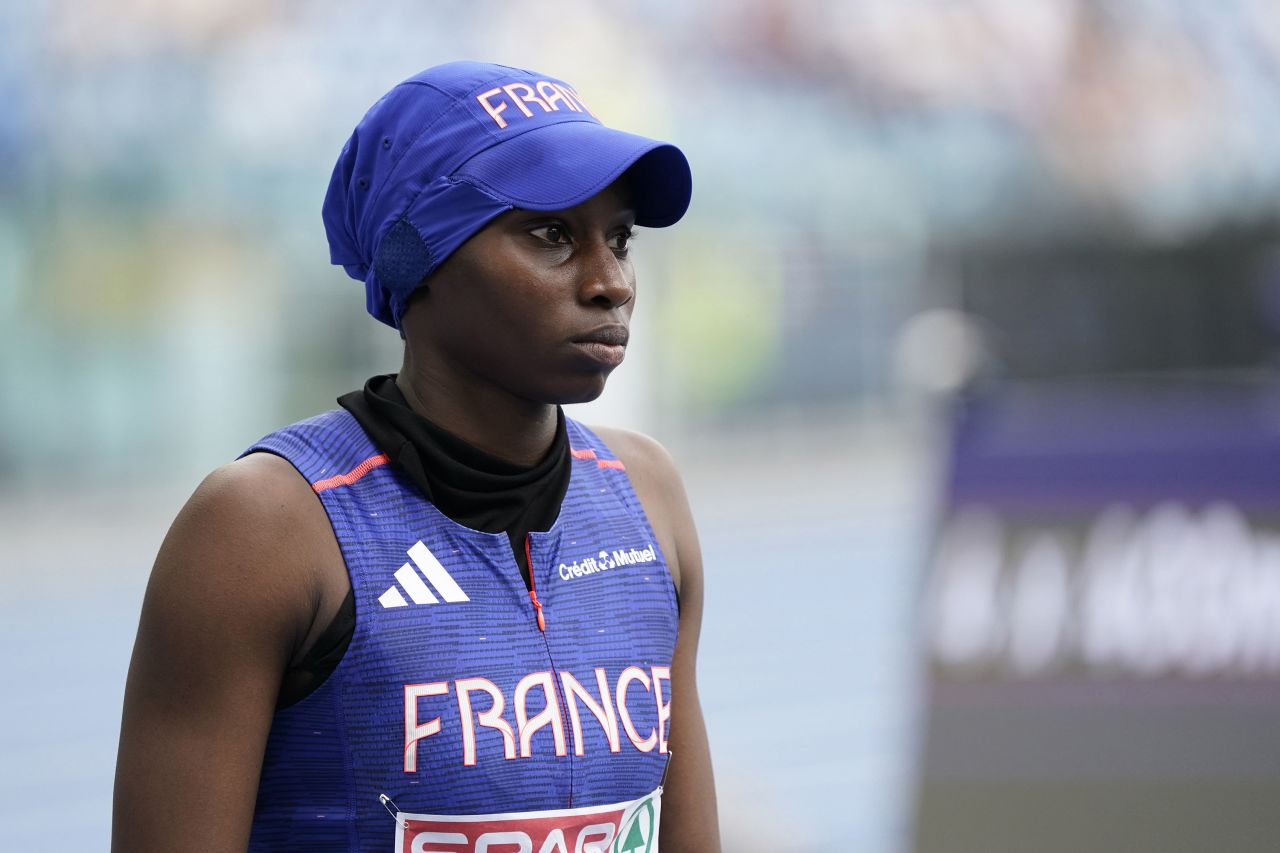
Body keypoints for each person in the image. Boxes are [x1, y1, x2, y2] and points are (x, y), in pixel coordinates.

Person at [112, 61, 720, 852]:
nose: (611, 282)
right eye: (551, 234)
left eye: (620, 238)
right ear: (417, 257)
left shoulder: (648, 497)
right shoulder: (264, 528)